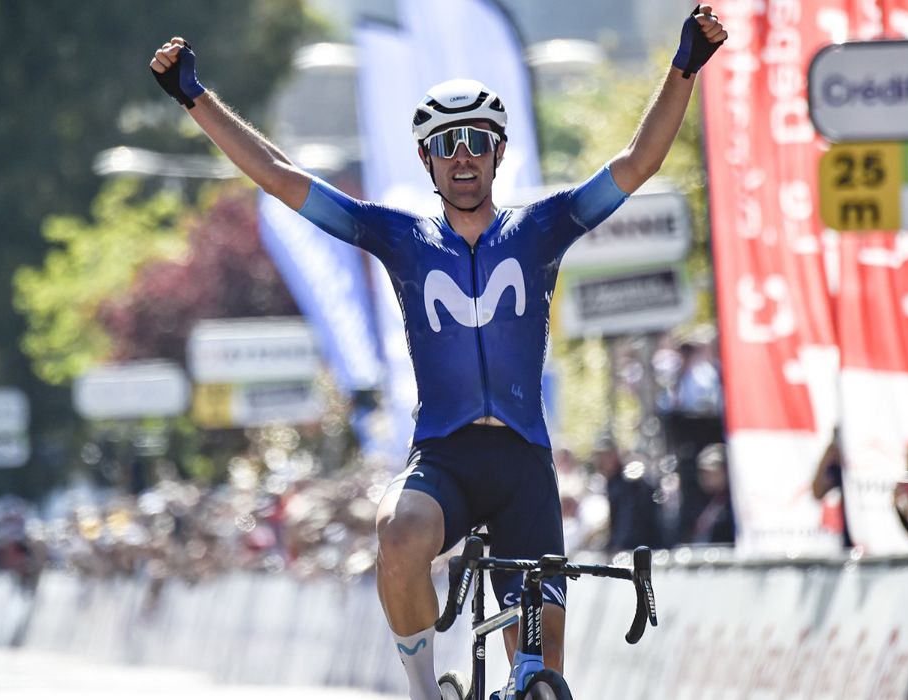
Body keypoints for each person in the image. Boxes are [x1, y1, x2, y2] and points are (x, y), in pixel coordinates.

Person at [150, 9, 727, 699]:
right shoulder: (400, 237)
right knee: (397, 533)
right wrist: (195, 97)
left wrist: (684, 67)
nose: (462, 156)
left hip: (523, 466)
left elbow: (638, 163)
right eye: (446, 143)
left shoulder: (542, 227)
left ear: (498, 153)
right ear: (425, 158)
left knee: (541, 672)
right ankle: (426, 690)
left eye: (477, 142)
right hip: (444, 459)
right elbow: (278, 176)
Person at [592, 434, 667, 553]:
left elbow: (628, 518)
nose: (601, 461)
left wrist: (619, 545)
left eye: (605, 456)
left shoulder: (628, 482)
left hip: (643, 547)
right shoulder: (612, 482)